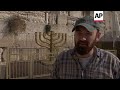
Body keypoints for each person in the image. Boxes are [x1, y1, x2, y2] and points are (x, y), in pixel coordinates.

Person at [51, 16, 120, 79]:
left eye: (88, 33)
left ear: (97, 36)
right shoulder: (61, 59)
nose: (82, 38)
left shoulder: (111, 62)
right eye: (79, 33)